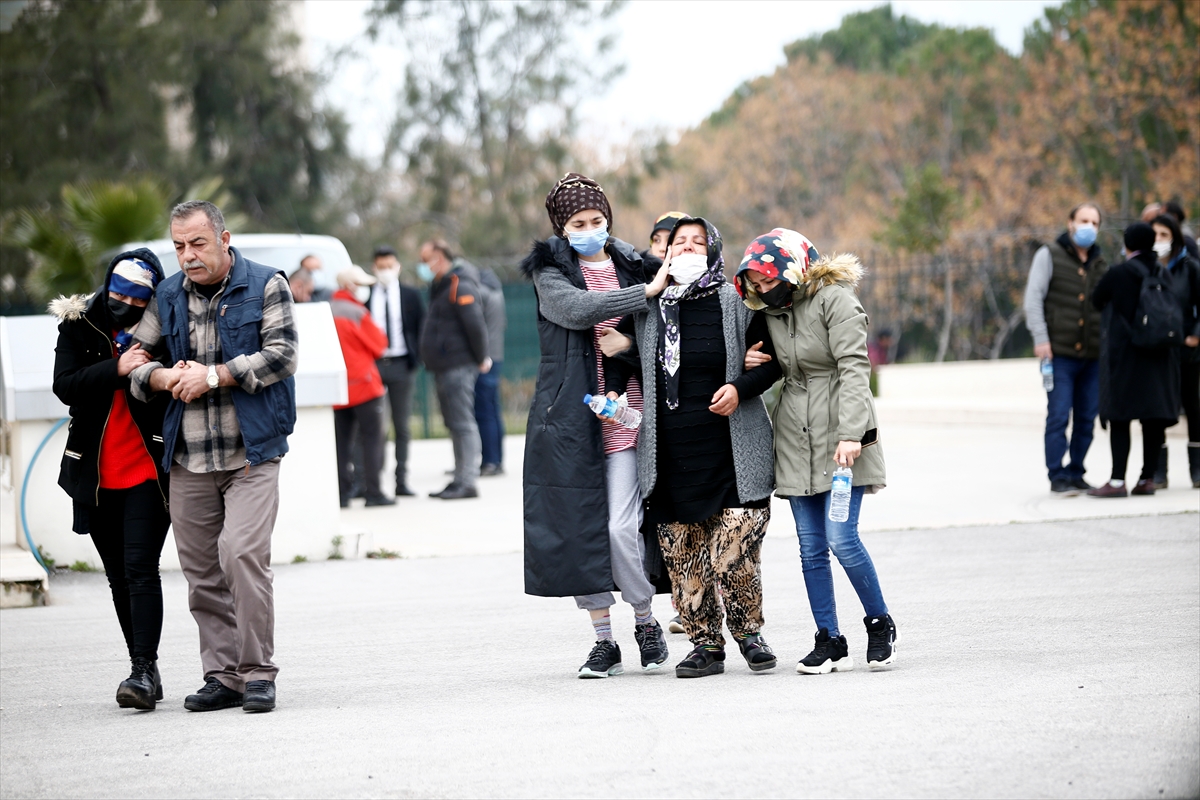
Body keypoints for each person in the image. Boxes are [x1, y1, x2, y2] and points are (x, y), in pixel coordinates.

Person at [130, 200, 298, 713]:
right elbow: (135, 363)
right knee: (201, 571)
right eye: (179, 246)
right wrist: (163, 377)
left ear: (224, 239)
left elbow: (282, 354)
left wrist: (213, 374)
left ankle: (258, 673)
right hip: (189, 458)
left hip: (252, 452)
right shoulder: (167, 295)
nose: (187, 256)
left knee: (242, 556)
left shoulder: (268, 283)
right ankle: (223, 676)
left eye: (198, 244)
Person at [605, 216, 781, 679]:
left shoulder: (735, 301)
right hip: (671, 455)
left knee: (733, 551)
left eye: (697, 242)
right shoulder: (649, 305)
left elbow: (772, 361)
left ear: (714, 249)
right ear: (664, 253)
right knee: (684, 556)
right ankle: (706, 645)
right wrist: (618, 386)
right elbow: (625, 353)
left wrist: (741, 387)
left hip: (731, 453)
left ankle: (749, 634)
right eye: (678, 242)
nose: (686, 248)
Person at [519, 172, 671, 678]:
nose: (589, 228)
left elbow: (663, 325)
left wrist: (628, 343)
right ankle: (603, 640)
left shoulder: (634, 264)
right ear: (562, 228)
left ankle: (646, 622)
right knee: (580, 531)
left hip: (631, 416)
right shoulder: (551, 274)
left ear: (608, 219)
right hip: (572, 422)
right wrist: (644, 293)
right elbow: (576, 310)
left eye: (597, 220)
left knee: (619, 528)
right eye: (578, 223)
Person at [738, 227, 897, 674]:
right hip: (793, 432)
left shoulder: (835, 300)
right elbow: (764, 356)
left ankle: (880, 623)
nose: (765, 291)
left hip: (840, 432)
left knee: (841, 538)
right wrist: (751, 358)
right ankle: (828, 638)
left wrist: (852, 434)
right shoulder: (770, 312)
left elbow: (853, 367)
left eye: (770, 281)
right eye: (758, 285)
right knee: (810, 548)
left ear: (792, 268)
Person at [50, 250, 171, 710]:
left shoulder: (164, 326)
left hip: (147, 466)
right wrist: (116, 369)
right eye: (117, 291)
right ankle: (147, 668)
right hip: (95, 471)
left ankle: (141, 669)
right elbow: (66, 384)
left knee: (141, 570)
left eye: (136, 298)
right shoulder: (79, 323)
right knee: (118, 576)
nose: (123, 302)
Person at [1087, 223, 1182, 498]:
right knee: (1152, 420)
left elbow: (1097, 300)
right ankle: (1147, 479)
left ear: (1127, 244)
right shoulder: (1162, 272)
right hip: (1160, 357)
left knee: (1120, 418)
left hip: (1126, 357)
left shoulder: (1119, 273)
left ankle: (1117, 481)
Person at [1022, 202, 1108, 494]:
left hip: (1093, 355)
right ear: (1070, 222)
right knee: (1059, 415)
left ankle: (1076, 471)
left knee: (1086, 418)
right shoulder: (1049, 255)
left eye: (1095, 223)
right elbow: (1033, 299)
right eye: (1084, 220)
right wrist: (1041, 339)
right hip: (1058, 354)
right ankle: (1057, 475)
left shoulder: (1099, 262)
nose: (1089, 227)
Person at [418, 238, 489, 500]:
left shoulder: (460, 283)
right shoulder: (441, 284)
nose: (423, 266)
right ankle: (459, 478)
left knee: (462, 423)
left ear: (439, 256)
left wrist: (482, 356)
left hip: (458, 364)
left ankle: (467, 482)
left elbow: (475, 324)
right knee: (454, 424)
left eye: (426, 260)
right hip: (443, 365)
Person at [331, 266, 394, 507]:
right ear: (351, 286)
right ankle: (373, 492)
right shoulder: (357, 312)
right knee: (371, 441)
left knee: (340, 444)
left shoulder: (325, 310)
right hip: (364, 385)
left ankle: (343, 494)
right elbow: (380, 345)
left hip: (337, 389)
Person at [368, 246, 424, 497]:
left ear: (398, 266)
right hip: (374, 366)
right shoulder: (365, 295)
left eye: (390, 266)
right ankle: (370, 481)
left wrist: (418, 357)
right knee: (373, 426)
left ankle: (401, 480)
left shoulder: (410, 295)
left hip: (402, 364)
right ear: (374, 268)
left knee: (402, 426)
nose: (386, 271)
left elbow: (422, 326)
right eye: (381, 267)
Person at [1150, 214, 1200, 488]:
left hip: (1187, 350)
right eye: (1154, 235)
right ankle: (1158, 472)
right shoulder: (1145, 269)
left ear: (1175, 237)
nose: (1158, 241)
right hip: (1157, 351)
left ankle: (1197, 470)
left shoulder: (1190, 267)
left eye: (1164, 235)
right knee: (1158, 409)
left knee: (1193, 407)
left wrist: (1195, 335)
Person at [473, 264, 507, 476]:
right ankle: (495, 459)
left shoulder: (481, 294)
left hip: (483, 359)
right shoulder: (497, 294)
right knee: (492, 411)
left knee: (484, 412)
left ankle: (489, 462)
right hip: (496, 356)